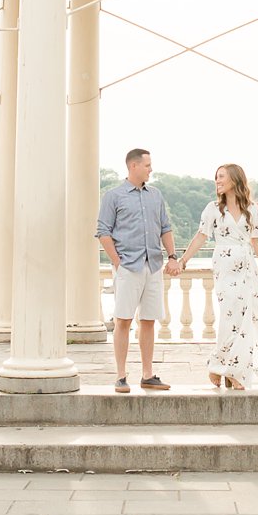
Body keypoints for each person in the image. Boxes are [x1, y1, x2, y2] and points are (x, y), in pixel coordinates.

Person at [175, 163, 258, 390]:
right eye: (216, 178)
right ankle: (221, 365)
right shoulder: (213, 209)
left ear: (234, 179)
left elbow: (257, 240)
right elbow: (201, 236)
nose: (217, 181)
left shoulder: (252, 210)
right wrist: (183, 260)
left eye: (221, 177)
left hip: (247, 268)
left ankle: (232, 370)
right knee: (230, 317)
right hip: (224, 267)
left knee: (245, 320)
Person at [96, 147, 181, 393]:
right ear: (133, 166)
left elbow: (166, 227)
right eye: (147, 165)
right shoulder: (113, 196)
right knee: (122, 320)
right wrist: (116, 262)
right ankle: (121, 376)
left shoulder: (156, 195)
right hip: (128, 266)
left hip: (153, 264)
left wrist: (172, 256)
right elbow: (103, 231)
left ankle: (147, 374)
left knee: (148, 321)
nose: (151, 169)